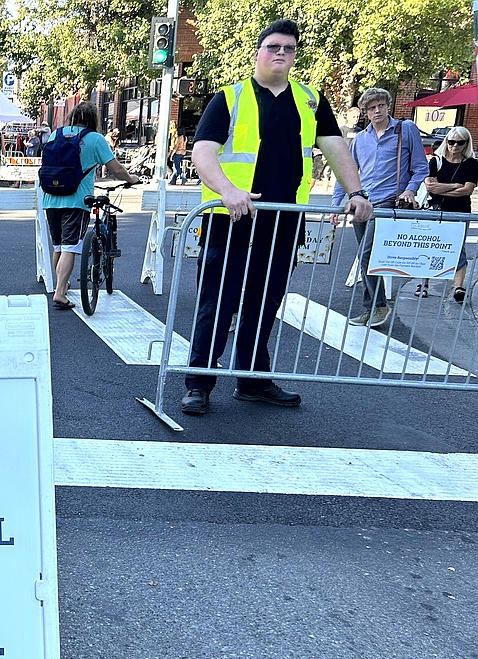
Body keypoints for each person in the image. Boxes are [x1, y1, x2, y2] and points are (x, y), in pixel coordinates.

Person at [180, 18, 372, 416]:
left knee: (264, 302)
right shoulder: (229, 98)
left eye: (288, 47)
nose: (281, 53)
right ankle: (199, 382)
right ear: (257, 53)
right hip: (230, 218)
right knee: (218, 300)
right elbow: (203, 152)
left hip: (284, 220)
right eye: (273, 47)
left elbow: (336, 148)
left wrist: (356, 192)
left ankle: (253, 380)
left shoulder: (310, 100)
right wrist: (228, 190)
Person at [332, 86, 429, 328]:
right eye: (372, 107)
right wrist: (336, 204)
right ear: (365, 111)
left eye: (381, 106)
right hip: (362, 202)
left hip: (388, 202)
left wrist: (410, 189)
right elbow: (347, 172)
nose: (377, 111)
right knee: (368, 258)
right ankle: (372, 307)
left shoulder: (404, 130)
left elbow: (421, 167)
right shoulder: (361, 139)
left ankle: (379, 305)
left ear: (388, 106)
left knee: (368, 255)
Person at [43, 101, 140, 310]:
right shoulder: (95, 139)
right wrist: (131, 178)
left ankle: (62, 284)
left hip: (51, 198)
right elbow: (116, 169)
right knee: (70, 246)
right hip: (77, 200)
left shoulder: (56, 134)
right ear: (93, 119)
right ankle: (60, 293)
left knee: (58, 245)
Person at [423, 126, 478, 303]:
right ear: (446, 141)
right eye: (451, 141)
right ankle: (424, 284)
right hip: (436, 210)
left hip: (460, 211)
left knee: (458, 248)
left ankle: (458, 287)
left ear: (466, 144)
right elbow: (430, 186)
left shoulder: (471, 164)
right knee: (430, 246)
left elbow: (467, 190)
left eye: (459, 142)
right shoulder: (436, 161)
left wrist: (443, 188)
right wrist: (455, 186)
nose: (454, 146)